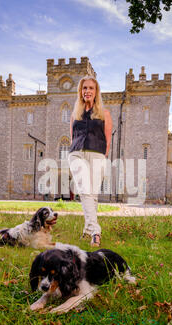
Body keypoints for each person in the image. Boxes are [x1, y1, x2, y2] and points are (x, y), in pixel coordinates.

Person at [68, 75, 112, 247]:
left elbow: (107, 139)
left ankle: (88, 230)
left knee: (91, 194)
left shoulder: (105, 114)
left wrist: (102, 157)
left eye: (90, 88)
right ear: (80, 91)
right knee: (86, 191)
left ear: (96, 92)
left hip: (97, 155)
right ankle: (96, 232)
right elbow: (72, 137)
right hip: (77, 153)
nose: (87, 91)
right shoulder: (75, 114)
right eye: (84, 88)